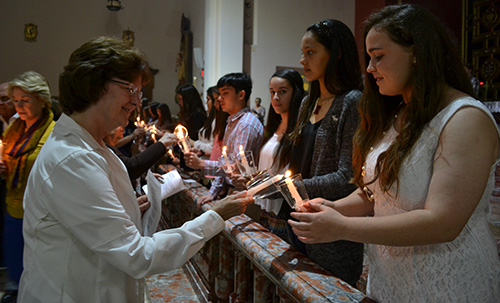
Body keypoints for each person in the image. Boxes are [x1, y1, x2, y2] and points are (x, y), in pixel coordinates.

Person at [288, 4, 500, 302]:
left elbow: (443, 221)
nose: (370, 69)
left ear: (416, 53)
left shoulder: (465, 118)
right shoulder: (399, 113)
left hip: (445, 281)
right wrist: (334, 208)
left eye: (379, 56)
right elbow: (376, 193)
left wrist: (343, 227)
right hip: (391, 280)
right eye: (369, 58)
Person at [18, 36, 254, 302]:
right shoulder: (71, 159)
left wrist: (126, 206)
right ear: (95, 85)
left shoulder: (93, 146)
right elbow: (136, 255)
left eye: (138, 92)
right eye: (131, 89)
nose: (137, 102)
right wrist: (215, 216)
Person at [278, 19, 364, 287]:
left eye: (310, 52)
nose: (302, 60)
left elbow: (347, 176)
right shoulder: (307, 101)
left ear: (335, 53)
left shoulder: (351, 102)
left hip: (333, 230)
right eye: (302, 53)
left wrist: (289, 186)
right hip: (299, 218)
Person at [1, 71, 55, 303]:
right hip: (12, 209)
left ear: (42, 100)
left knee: (36, 276)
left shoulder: (54, 131)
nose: (19, 106)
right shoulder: (14, 129)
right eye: (15, 100)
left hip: (39, 214)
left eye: (25, 100)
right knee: (15, 270)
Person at [184, 73, 264, 208]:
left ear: (241, 95)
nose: (220, 99)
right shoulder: (233, 121)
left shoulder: (246, 125)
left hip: (244, 192)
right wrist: (212, 193)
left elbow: (237, 168)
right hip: (232, 190)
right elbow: (224, 160)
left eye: (225, 93)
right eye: (219, 94)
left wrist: (203, 164)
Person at [255, 69, 304, 240]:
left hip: (282, 209)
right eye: (272, 92)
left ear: (296, 93)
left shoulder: (300, 131)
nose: (276, 97)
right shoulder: (274, 126)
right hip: (264, 205)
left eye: (282, 92)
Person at [192, 86, 219, 158]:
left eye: (208, 99)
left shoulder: (217, 121)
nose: (207, 103)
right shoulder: (211, 118)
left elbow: (213, 147)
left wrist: (194, 143)